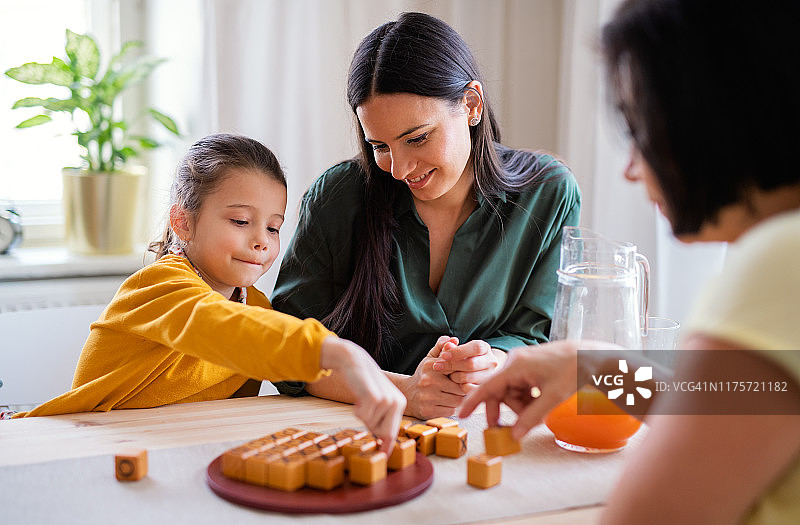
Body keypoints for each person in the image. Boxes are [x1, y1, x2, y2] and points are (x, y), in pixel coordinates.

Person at [458, 0, 800, 523]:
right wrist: (596, 368)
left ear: (711, 120)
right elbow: (741, 401)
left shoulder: (778, 263)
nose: (631, 170)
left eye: (642, 132)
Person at [272, 12, 581, 420]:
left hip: (487, 426)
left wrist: (489, 362)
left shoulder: (548, 194)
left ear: (471, 105)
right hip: (354, 429)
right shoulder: (337, 198)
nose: (399, 169)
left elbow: (539, 338)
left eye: (417, 138)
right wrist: (405, 391)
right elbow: (284, 351)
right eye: (379, 146)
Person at [13, 134, 405, 449]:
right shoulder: (157, 286)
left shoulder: (256, 305)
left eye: (273, 227)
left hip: (173, 446)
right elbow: (223, 327)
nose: (262, 241)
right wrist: (337, 350)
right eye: (240, 221)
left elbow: (276, 357)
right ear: (183, 222)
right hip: (79, 442)